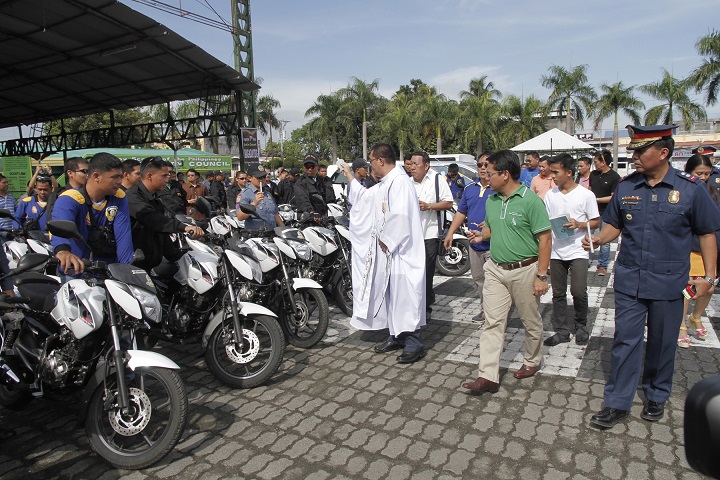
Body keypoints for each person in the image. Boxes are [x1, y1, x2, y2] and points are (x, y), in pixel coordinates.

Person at [584, 125, 720, 429]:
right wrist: (598, 238)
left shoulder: (690, 189)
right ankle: (617, 401)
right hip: (630, 280)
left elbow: (707, 232)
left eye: (640, 151)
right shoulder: (626, 187)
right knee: (625, 341)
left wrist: (710, 277)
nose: (633, 156)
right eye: (632, 150)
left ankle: (656, 394)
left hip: (671, 283)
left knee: (662, 342)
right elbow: (614, 225)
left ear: (663, 153)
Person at [462, 150, 551, 394]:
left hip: (525, 270)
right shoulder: (492, 200)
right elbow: (491, 228)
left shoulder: (531, 201)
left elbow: (545, 239)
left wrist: (541, 275)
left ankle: (532, 360)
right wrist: (481, 235)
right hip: (496, 269)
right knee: (492, 322)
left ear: (505, 174)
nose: (485, 176)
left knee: (530, 320)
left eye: (490, 172)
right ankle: (488, 376)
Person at [344, 143, 427, 363]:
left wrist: (387, 239)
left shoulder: (399, 182)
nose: (370, 165)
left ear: (381, 160)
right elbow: (364, 198)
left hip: (402, 252)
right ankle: (396, 336)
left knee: (405, 297)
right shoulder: (387, 183)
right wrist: (349, 175)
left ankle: (414, 343)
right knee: (392, 297)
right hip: (389, 253)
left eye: (371, 160)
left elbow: (401, 216)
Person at [542, 153, 600, 346]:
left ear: (569, 172)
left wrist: (579, 224)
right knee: (558, 293)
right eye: (551, 172)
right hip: (556, 251)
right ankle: (562, 331)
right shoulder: (550, 195)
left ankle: (581, 325)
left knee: (578, 291)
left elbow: (596, 221)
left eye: (556, 172)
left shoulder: (586, 195)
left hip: (578, 249)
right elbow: (545, 220)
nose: (552, 176)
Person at [51, 153, 134, 275]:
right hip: (76, 272)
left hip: (108, 273)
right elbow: (60, 231)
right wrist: (63, 251)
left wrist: (127, 270)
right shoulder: (69, 199)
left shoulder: (119, 197)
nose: (120, 182)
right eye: (115, 177)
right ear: (96, 176)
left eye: (120, 177)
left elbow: (123, 236)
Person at [127, 157, 204, 272]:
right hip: (134, 267)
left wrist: (178, 256)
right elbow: (154, 220)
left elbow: (161, 232)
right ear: (149, 176)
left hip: (150, 265)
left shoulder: (155, 198)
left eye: (168, 175)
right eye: (164, 176)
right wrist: (184, 227)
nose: (168, 179)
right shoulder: (133, 196)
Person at [443, 153, 493, 322]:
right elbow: (461, 212)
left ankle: (495, 313)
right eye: (480, 165)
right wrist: (450, 233)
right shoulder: (470, 188)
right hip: (474, 243)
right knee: (479, 279)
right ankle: (485, 309)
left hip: (494, 244)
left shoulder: (499, 189)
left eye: (486, 164)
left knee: (494, 281)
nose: (483, 168)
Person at [677, 154, 720, 348]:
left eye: (707, 174)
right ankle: (681, 325)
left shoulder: (714, 193)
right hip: (691, 247)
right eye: (699, 173)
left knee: (709, 287)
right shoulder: (684, 192)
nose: (703, 177)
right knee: (688, 289)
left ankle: (696, 317)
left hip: (711, 249)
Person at [410, 151, 453, 319]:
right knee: (412, 274)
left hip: (430, 234)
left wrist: (429, 206)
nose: (412, 167)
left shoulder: (437, 180)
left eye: (416, 164)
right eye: (411, 164)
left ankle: (425, 308)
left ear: (426, 165)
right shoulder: (406, 183)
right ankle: (413, 305)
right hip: (411, 237)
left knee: (427, 272)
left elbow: (448, 202)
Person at [589, 150, 621, 276]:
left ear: (604, 162)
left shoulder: (614, 177)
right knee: (587, 236)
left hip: (606, 212)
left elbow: (613, 197)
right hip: (592, 212)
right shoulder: (593, 174)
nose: (595, 164)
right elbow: (590, 190)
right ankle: (585, 260)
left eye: (596, 162)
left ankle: (602, 265)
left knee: (604, 240)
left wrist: (596, 200)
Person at [46, 157, 89, 222]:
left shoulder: (89, 194)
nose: (87, 175)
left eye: (89, 172)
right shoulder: (59, 195)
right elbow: (53, 222)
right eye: (84, 171)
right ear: (70, 173)